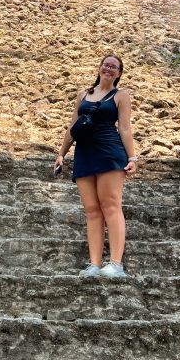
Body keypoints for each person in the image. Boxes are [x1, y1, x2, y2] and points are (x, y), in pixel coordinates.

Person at [53, 54, 138, 278]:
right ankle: (94, 264)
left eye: (114, 67)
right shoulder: (83, 95)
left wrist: (132, 158)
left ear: (119, 73)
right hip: (84, 153)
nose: (109, 69)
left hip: (109, 152)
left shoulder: (121, 96)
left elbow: (125, 128)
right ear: (99, 67)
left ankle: (116, 264)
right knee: (92, 210)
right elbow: (72, 127)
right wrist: (62, 153)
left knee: (110, 205)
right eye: (106, 65)